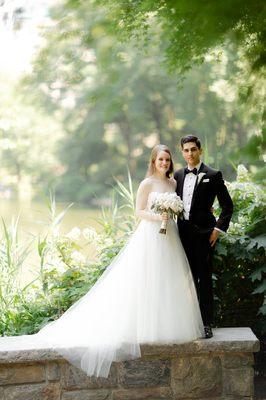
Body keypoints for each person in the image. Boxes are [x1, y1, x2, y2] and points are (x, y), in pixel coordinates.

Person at [35, 144, 204, 378]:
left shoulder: (173, 183)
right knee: (145, 278)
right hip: (150, 236)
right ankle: (143, 327)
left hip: (170, 237)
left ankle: (164, 327)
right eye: (160, 160)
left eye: (167, 160)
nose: (164, 163)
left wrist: (171, 214)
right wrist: (158, 216)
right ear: (153, 161)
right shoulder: (146, 184)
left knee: (168, 279)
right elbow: (139, 212)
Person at [174, 136, 233, 339]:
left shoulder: (213, 175)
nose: (190, 154)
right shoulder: (178, 175)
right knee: (185, 280)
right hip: (181, 236)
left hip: (205, 236)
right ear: (182, 152)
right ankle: (186, 323)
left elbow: (227, 206)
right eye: (186, 150)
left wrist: (217, 230)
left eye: (193, 150)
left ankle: (206, 323)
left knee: (204, 280)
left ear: (200, 150)